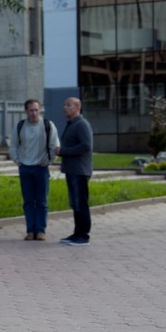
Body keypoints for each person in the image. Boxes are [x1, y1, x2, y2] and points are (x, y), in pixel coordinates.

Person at [10, 98, 59, 241]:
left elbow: (54, 145)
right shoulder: (20, 126)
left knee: (42, 201)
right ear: (26, 111)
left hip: (40, 168)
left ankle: (41, 230)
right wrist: (17, 161)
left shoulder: (47, 125)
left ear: (40, 110)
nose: (34, 113)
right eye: (31, 110)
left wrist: (49, 160)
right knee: (28, 201)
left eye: (36, 110)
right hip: (25, 168)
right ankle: (30, 231)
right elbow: (13, 145)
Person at [55, 97, 93, 247]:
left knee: (80, 203)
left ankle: (83, 235)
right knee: (75, 203)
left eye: (69, 105)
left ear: (77, 108)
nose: (65, 107)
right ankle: (77, 233)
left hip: (79, 170)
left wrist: (64, 151)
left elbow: (86, 146)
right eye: (64, 105)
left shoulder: (82, 124)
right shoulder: (71, 124)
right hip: (72, 170)